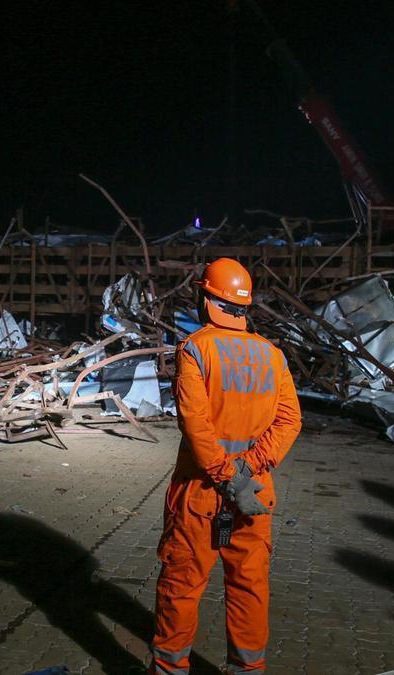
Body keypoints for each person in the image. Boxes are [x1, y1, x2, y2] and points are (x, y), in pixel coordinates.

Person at [150, 258, 302, 674]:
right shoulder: (272, 355)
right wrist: (248, 471)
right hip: (254, 494)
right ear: (243, 307)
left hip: (202, 492)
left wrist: (225, 476)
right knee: (249, 588)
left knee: (181, 588)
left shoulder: (196, 348)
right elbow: (290, 421)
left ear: (206, 300)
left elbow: (195, 424)